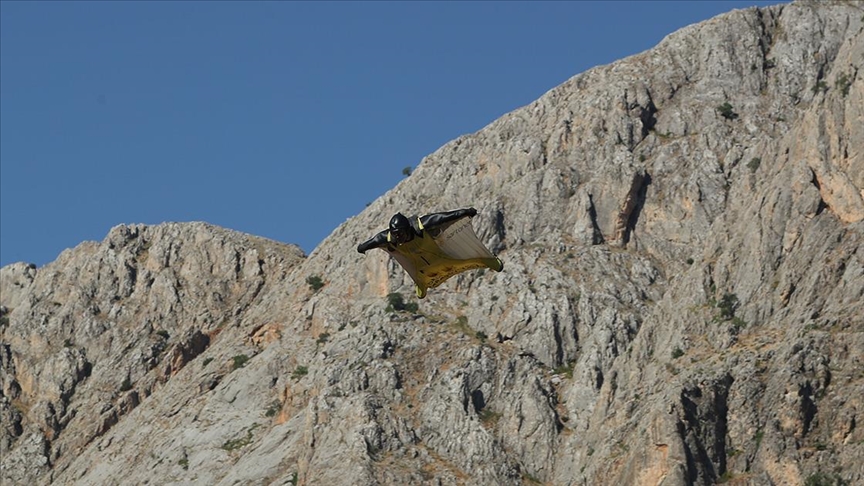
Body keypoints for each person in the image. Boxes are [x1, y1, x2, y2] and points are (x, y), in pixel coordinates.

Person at [358, 207, 503, 298]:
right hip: (423, 268)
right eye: (395, 234)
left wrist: (465, 212)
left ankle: (491, 261)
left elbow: (443, 217)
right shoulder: (389, 237)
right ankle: (420, 284)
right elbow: (374, 240)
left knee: (469, 260)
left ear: (408, 229)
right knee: (421, 281)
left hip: (442, 258)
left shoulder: (420, 226)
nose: (398, 237)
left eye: (401, 233)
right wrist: (362, 247)